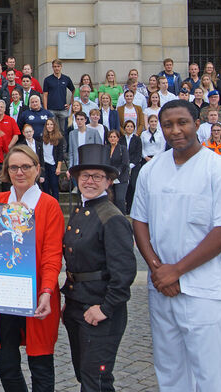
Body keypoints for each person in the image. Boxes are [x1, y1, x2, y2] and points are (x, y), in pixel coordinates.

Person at [132, 99, 221, 392]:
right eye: (168, 124)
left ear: (198, 124)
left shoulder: (220, 172)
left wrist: (177, 271)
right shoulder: (150, 171)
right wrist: (158, 270)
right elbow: (140, 222)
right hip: (162, 288)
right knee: (169, 369)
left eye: (182, 122)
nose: (175, 130)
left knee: (210, 373)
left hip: (204, 289)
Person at [0, 144, 63, 392]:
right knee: (7, 366)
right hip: (3, 296)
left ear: (37, 168)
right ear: (7, 171)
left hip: (37, 294)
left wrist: (47, 291)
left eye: (26, 167)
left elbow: (52, 255)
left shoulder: (49, 205)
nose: (20, 172)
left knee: (40, 365)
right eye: (14, 167)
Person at [62, 143, 136, 391]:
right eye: (85, 175)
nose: (90, 181)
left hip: (100, 310)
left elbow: (124, 272)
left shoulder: (112, 217)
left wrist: (105, 308)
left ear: (108, 181)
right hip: (77, 305)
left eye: (97, 176)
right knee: (89, 377)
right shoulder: (81, 211)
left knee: (95, 380)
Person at [42, 59, 75, 134]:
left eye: (58, 66)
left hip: (63, 109)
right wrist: (45, 109)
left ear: (61, 67)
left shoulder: (66, 79)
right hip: (51, 109)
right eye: (54, 66)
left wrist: (70, 104)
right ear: (52, 67)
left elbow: (73, 90)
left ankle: (63, 145)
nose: (56, 68)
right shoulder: (47, 80)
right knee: (51, 130)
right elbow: (45, 95)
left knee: (63, 130)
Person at [119, 120, 142, 214]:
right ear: (124, 128)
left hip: (134, 166)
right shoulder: (121, 139)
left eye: (131, 126)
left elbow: (138, 153)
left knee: (133, 185)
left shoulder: (137, 139)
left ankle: (131, 207)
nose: (129, 128)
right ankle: (125, 208)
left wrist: (132, 164)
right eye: (127, 126)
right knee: (126, 186)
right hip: (123, 166)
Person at [105, 129, 130, 214]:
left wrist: (116, 174)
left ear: (118, 138)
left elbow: (125, 163)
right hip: (108, 178)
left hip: (121, 177)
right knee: (109, 199)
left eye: (114, 137)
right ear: (108, 139)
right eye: (111, 137)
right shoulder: (105, 149)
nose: (112, 139)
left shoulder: (122, 149)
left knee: (120, 199)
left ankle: (122, 217)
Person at [40, 117, 65, 199]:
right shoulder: (42, 137)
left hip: (53, 165)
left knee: (54, 187)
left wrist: (58, 167)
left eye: (51, 124)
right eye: (48, 124)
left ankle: (55, 205)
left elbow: (60, 154)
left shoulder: (59, 138)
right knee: (45, 187)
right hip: (44, 165)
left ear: (54, 126)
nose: (49, 126)